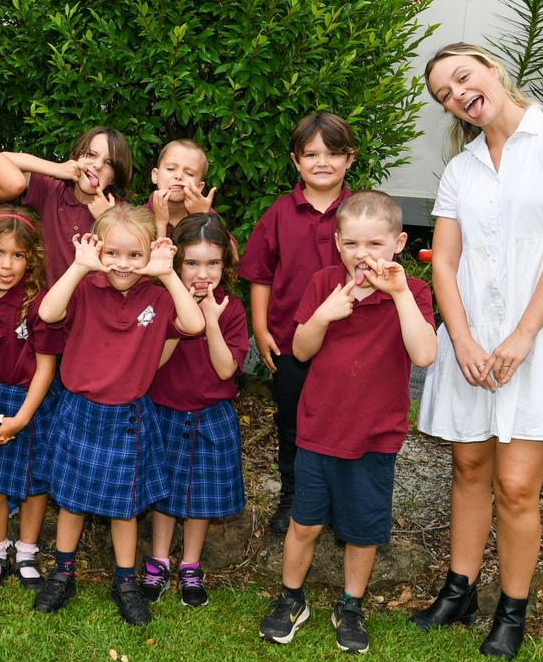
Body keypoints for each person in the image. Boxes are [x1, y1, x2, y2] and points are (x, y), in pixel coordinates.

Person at [411, 43, 543, 661]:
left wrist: (523, 334)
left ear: (492, 67)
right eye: (445, 95)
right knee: (469, 468)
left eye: (462, 78)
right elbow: (444, 263)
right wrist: (465, 340)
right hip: (473, 337)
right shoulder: (461, 169)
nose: (458, 95)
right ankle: (459, 590)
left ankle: (512, 610)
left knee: (517, 484)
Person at [259, 191, 436, 653]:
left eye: (375, 244)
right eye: (352, 244)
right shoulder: (323, 285)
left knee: (362, 530)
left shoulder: (413, 292)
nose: (363, 255)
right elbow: (299, 350)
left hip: (375, 435)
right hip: (319, 429)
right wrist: (323, 314)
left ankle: (351, 604)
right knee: (304, 523)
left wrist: (398, 295)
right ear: (337, 243)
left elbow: (424, 354)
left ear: (398, 243)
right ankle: (291, 598)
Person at [32, 205, 205, 626]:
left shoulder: (160, 297)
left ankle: (125, 582)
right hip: (80, 409)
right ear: (97, 250)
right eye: (112, 253)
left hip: (128, 414)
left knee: (124, 508)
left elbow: (194, 323)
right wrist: (78, 266)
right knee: (70, 502)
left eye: (134, 255)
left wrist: (167, 273)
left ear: (151, 254)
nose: (122, 265)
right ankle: (63, 573)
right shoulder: (86, 286)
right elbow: (47, 314)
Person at [237, 112, 357, 534]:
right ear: (295, 161)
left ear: (350, 158)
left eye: (333, 153)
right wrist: (261, 328)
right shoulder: (279, 213)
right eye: (311, 154)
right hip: (291, 342)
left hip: (349, 345)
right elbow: (259, 274)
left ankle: (343, 503)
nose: (322, 162)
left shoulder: (360, 213)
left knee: (346, 421)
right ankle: (293, 497)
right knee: (292, 420)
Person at [141, 214, 247, 608]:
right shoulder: (161, 302)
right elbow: (153, 363)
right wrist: (185, 321)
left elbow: (225, 370)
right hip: (164, 409)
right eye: (192, 263)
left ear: (225, 266)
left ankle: (190, 565)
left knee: (200, 499)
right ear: (176, 264)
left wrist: (211, 323)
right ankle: (157, 562)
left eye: (213, 264)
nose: (203, 274)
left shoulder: (232, 309)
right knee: (164, 493)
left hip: (211, 413)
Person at [0, 207, 65, 592]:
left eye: (18, 255)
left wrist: (23, 418)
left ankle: (26, 552)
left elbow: (46, 368)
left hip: (33, 401)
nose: (7, 265)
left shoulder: (42, 303)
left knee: (34, 483)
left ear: (32, 258)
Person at [5, 127, 133, 284]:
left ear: (114, 178)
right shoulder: (51, 191)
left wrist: (108, 220)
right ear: (77, 158)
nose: (98, 165)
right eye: (92, 155)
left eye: (109, 163)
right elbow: (2, 161)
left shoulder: (122, 212)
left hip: (93, 305)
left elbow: (130, 264)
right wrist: (56, 168)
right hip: (45, 303)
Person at [146, 139, 218, 238]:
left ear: (199, 187)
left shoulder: (205, 212)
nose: (179, 176)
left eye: (189, 173)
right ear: (155, 176)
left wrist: (203, 216)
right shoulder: (137, 217)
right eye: (171, 168)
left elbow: (229, 251)